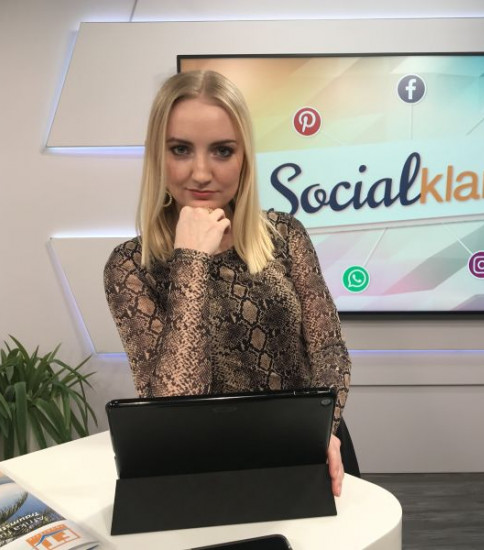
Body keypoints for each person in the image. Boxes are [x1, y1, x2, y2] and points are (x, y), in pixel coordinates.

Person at [103, 70, 358, 496]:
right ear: (157, 156)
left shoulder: (284, 235)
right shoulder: (131, 266)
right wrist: (192, 259)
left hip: (311, 449)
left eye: (222, 150)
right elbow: (172, 407)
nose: (201, 172)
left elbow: (329, 350)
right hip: (210, 469)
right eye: (181, 149)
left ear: (244, 158)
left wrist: (321, 431)